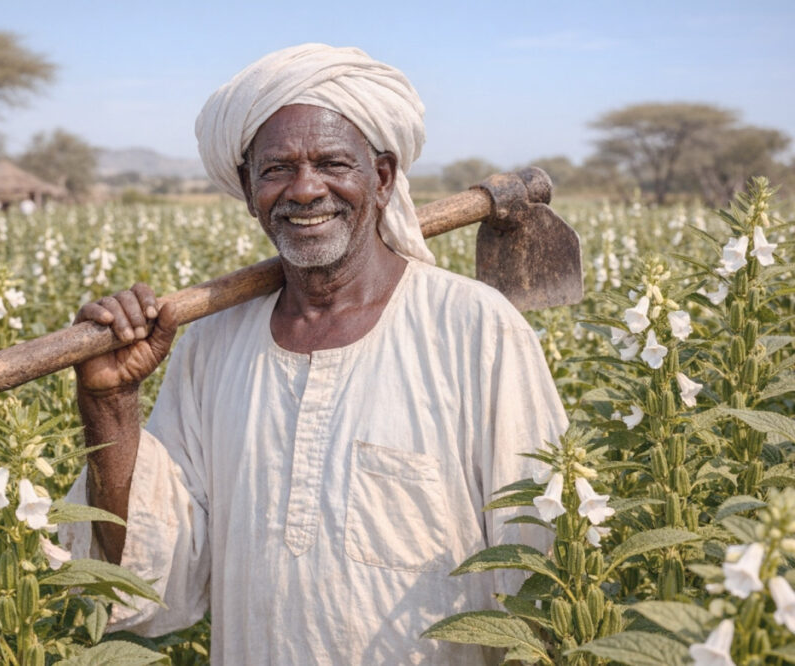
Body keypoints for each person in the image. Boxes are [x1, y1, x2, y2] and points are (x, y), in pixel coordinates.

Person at [59, 43, 567, 664]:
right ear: (248, 188)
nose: (305, 189)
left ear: (381, 179)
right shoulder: (211, 348)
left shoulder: (476, 330)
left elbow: (541, 564)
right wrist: (110, 405)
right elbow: (150, 579)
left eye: (332, 163)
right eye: (275, 170)